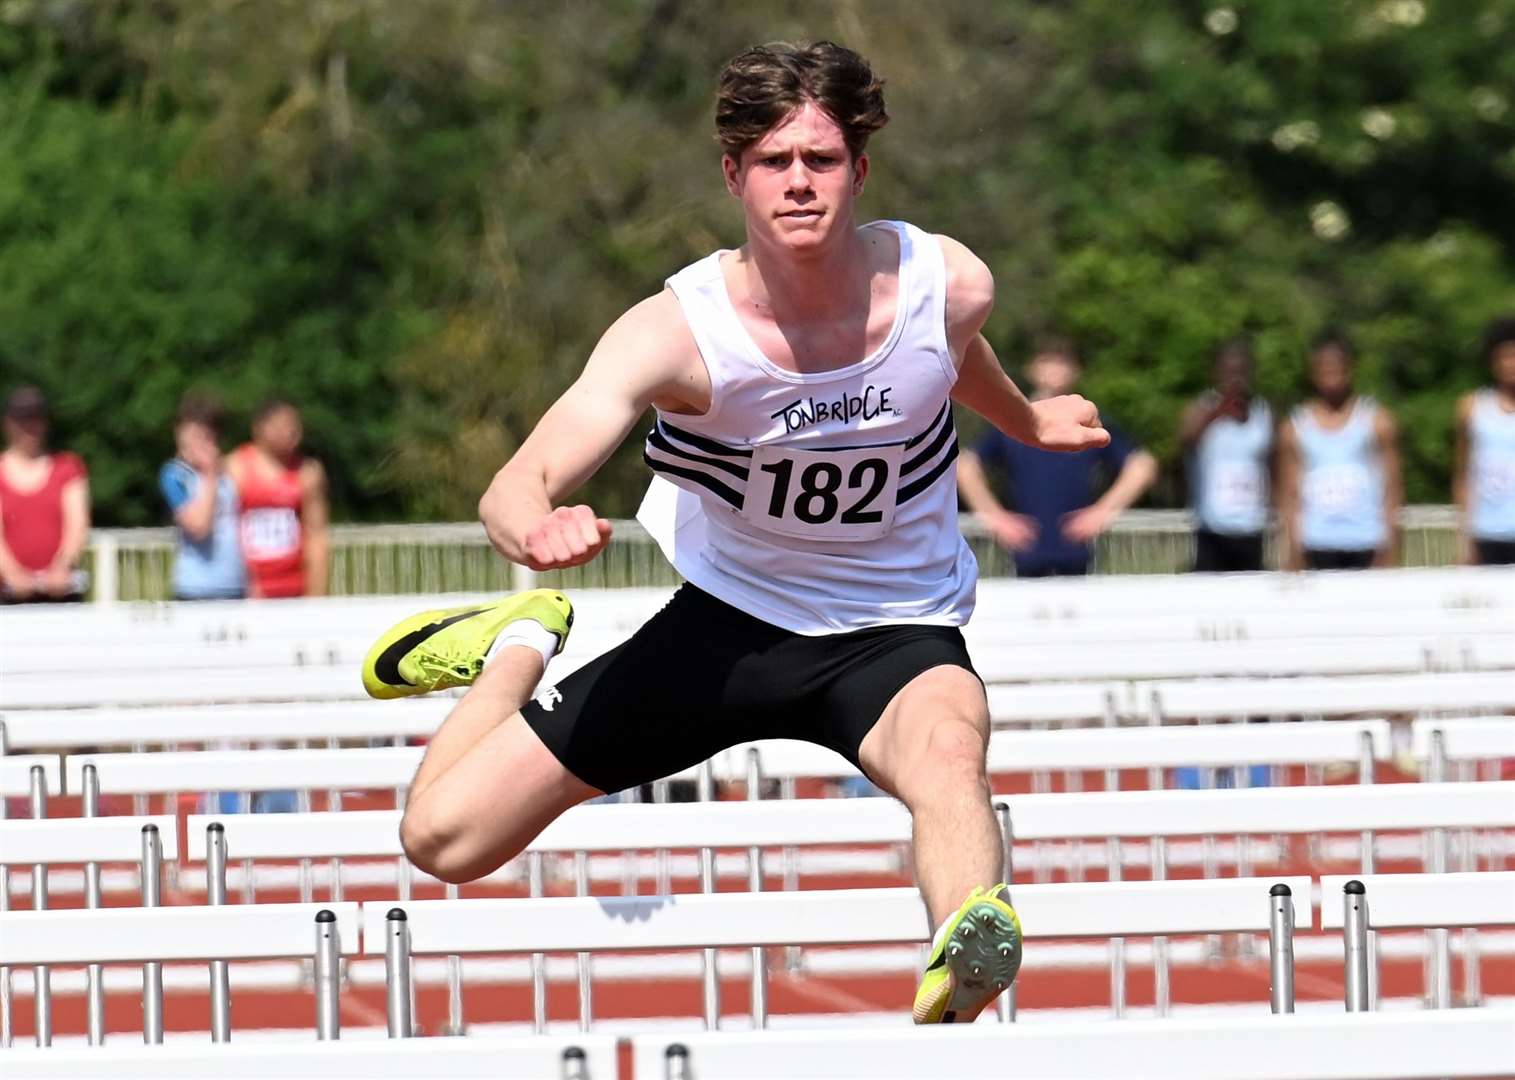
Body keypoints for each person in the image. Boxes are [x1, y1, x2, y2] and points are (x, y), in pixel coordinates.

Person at [359, 41, 1110, 1024]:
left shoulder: (946, 282)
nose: (799, 183)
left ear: (860, 170)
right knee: (441, 840)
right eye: (773, 162)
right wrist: (532, 525)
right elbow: (518, 479)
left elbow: (951, 354)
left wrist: (1026, 420)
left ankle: (969, 938)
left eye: (821, 160)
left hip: (892, 626)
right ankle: (516, 641)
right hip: (726, 626)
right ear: (733, 174)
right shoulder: (678, 335)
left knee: (948, 752)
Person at [956, 338, 1157, 577]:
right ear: (1032, 368)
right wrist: (993, 516)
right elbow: (966, 464)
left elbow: (1142, 465)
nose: (1054, 369)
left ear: (1075, 370)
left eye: (1062, 362)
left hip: (1077, 550)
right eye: (1047, 361)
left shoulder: (1088, 421)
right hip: (1024, 550)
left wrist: (1104, 511)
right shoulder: (1011, 420)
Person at [1277, 331, 1402, 571]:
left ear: (1350, 368)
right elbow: (1288, 494)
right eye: (1324, 367)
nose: (1330, 373)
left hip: (1366, 540)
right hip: (1316, 542)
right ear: (1313, 371)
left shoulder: (1377, 421)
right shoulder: (1295, 427)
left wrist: (1390, 546)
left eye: (1336, 366)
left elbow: (1392, 488)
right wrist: (1292, 550)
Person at [1181, 339, 1274, 572]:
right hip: (1212, 529)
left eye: (1241, 371)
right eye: (1229, 371)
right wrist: (1217, 412)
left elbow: (1275, 462)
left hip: (1252, 527)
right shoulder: (1200, 409)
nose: (1235, 378)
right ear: (1216, 373)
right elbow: (1185, 441)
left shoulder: (1263, 412)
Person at [227, 398, 330, 598]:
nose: (291, 432)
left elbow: (317, 535)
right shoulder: (235, 468)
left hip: (293, 586)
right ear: (259, 428)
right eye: (282, 425)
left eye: (294, 425)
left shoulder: (308, 472)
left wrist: (317, 594)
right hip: (246, 587)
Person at [0, 386, 90, 603]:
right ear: (8, 424)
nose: (31, 427)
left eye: (36, 419)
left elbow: (77, 524)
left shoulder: (67, 468)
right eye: (23, 420)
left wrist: (63, 566)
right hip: (7, 593)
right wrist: (12, 573)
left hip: (61, 591)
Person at [159, 394, 246, 601]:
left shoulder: (231, 471)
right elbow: (199, 526)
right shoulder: (175, 476)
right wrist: (209, 474)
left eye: (206, 437)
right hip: (196, 588)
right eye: (193, 435)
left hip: (236, 584)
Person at [1455, 317, 1515, 566]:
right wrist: (1464, 538)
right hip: (1486, 530)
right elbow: (1463, 474)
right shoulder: (1472, 408)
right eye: (1505, 357)